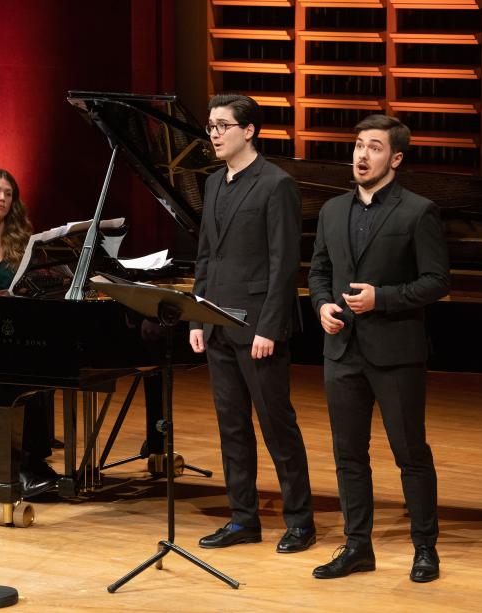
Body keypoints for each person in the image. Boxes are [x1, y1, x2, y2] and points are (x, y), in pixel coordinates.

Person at [307, 114, 450, 583]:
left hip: (395, 353)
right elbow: (318, 272)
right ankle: (357, 547)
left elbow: (436, 282)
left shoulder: (417, 210)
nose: (362, 155)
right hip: (341, 351)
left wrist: (380, 299)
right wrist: (324, 305)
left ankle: (425, 549)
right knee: (348, 454)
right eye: (358, 146)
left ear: (396, 158)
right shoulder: (331, 211)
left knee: (410, 453)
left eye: (373, 147)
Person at [189, 93, 315, 554]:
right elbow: (206, 253)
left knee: (276, 425)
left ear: (249, 130)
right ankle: (243, 519)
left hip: (257, 328)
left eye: (223, 126)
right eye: (211, 126)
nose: (215, 135)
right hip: (218, 323)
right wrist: (197, 316)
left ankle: (300, 521)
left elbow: (284, 264)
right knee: (232, 427)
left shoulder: (276, 184)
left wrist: (269, 326)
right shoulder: (213, 184)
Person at [0, 168, 58, 495]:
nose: (2, 198)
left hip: (13, 328)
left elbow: (38, 282)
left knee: (37, 376)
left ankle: (35, 463)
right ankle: (14, 470)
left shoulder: (22, 239)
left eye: (8, 193)